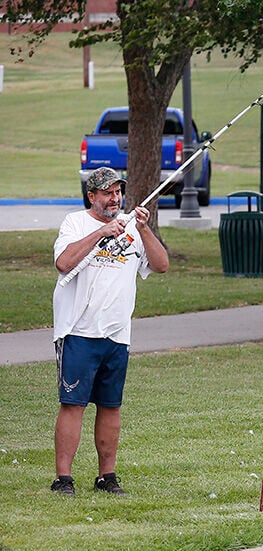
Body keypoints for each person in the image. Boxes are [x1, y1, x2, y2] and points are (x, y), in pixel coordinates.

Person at [50, 167, 169, 496]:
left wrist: (143, 229)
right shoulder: (75, 223)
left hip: (117, 334)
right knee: (73, 404)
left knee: (110, 405)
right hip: (78, 331)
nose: (115, 198)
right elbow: (64, 262)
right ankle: (63, 478)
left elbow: (161, 265)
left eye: (118, 192)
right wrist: (101, 234)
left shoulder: (132, 227)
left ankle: (107, 475)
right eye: (107, 193)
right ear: (92, 196)